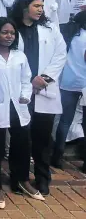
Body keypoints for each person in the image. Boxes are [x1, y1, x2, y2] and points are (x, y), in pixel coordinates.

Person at [0, 17, 44, 209]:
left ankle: (22, 180)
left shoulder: (19, 56)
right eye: (4, 32)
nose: (9, 36)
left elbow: (26, 79)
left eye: (12, 33)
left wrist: (25, 95)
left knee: (22, 146)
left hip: (18, 106)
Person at [11, 0, 67, 196]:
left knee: (42, 139)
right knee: (20, 138)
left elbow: (61, 54)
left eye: (42, 6)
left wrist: (44, 78)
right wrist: (27, 81)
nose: (40, 10)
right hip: (19, 89)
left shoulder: (50, 28)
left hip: (44, 88)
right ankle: (19, 178)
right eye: (36, 6)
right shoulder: (12, 27)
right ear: (25, 6)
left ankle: (43, 179)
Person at [53, 11, 86, 170]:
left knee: (64, 121)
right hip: (85, 83)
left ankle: (57, 156)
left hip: (69, 81)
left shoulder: (73, 34)